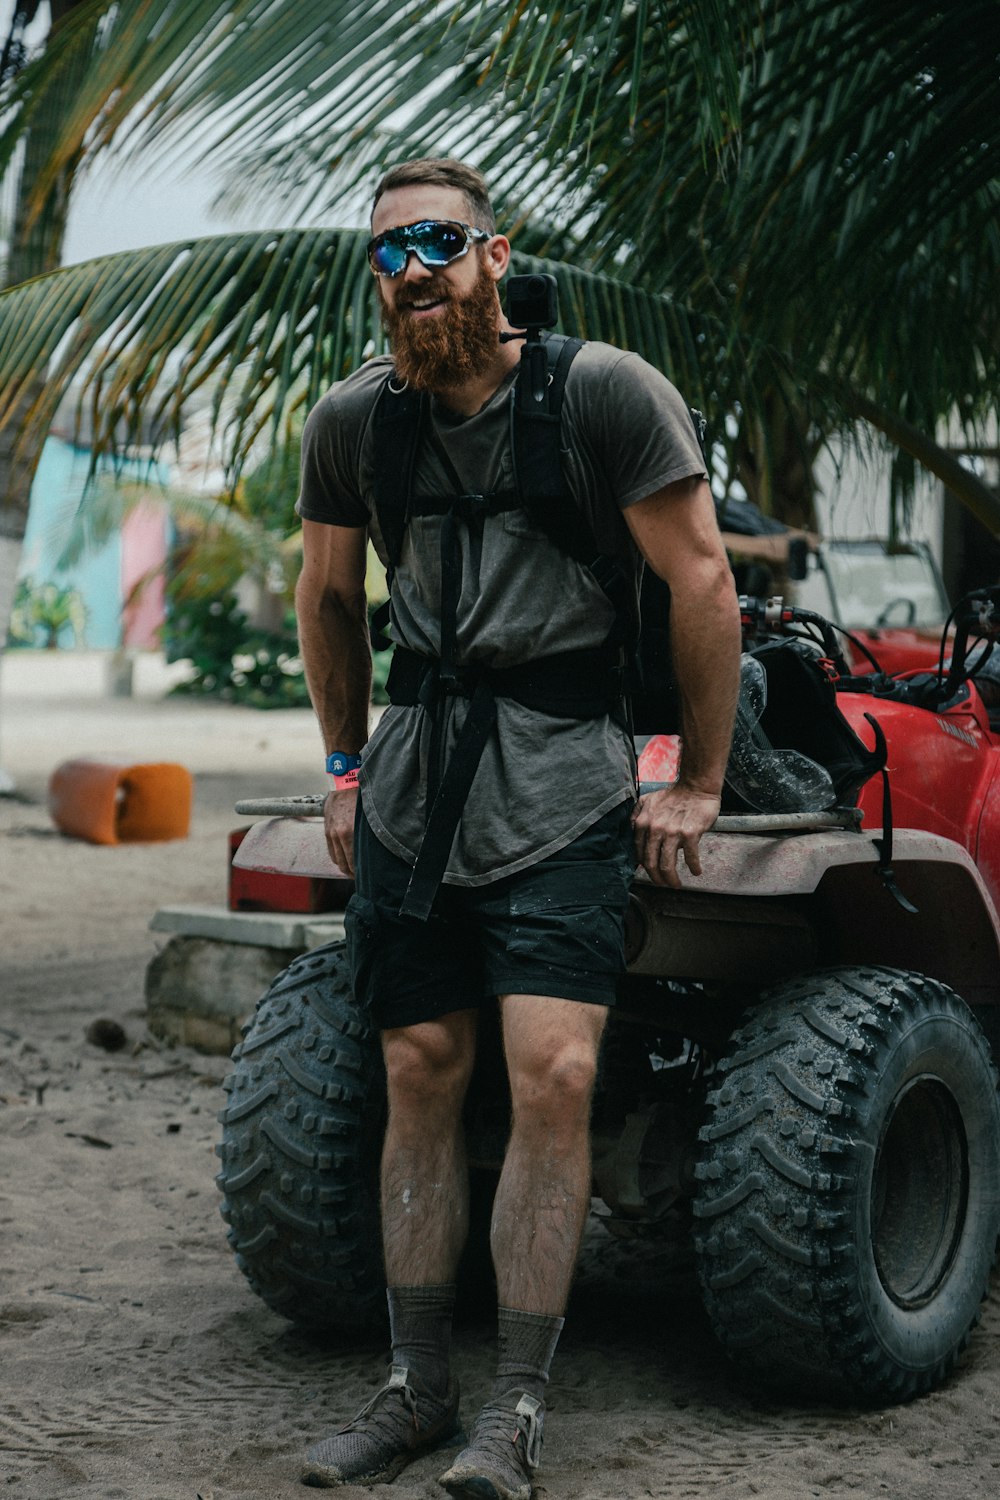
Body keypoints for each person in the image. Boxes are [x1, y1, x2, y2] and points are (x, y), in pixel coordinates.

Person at [294, 157, 741, 1499]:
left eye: (437, 241)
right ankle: (416, 1386)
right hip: (419, 783)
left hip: (563, 773)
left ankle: (518, 1409)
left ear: (495, 253)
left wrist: (703, 780)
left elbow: (701, 578)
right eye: (387, 252)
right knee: (421, 1068)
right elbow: (325, 594)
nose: (412, 267)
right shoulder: (354, 421)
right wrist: (340, 764)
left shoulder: (603, 394)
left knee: (553, 1073)